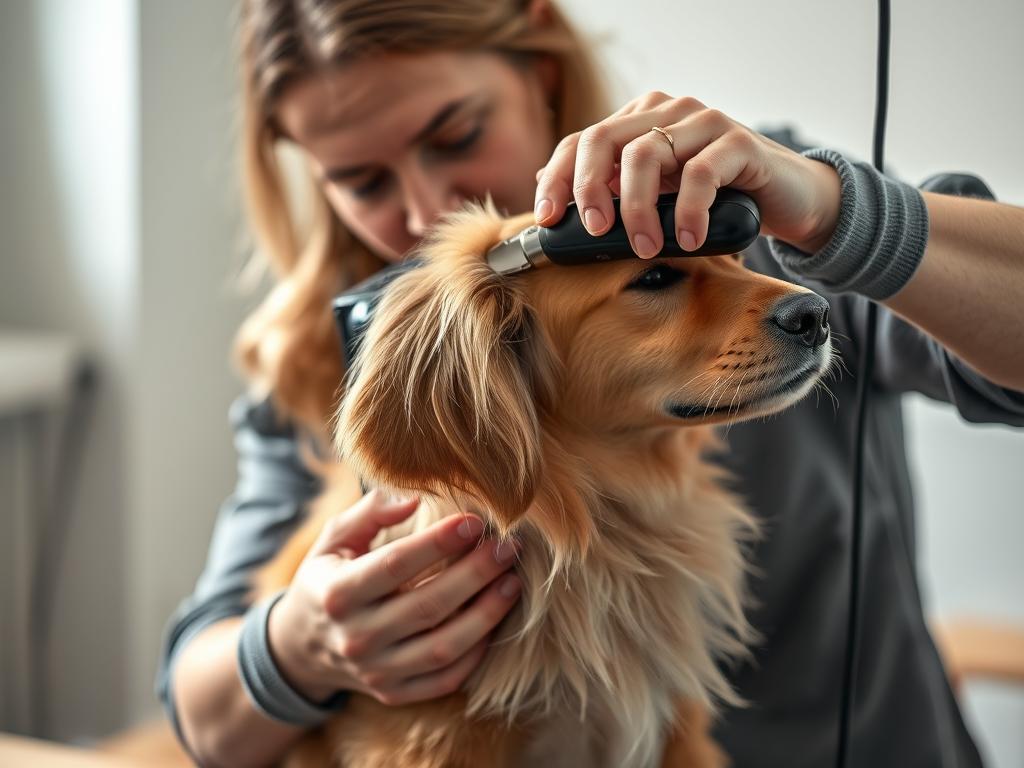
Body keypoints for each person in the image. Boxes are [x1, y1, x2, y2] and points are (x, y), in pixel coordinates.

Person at [156, 1, 1024, 766]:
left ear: (539, 65)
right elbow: (202, 708)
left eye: (456, 134)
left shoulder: (750, 215)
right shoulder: (327, 355)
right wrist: (305, 646)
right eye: (360, 180)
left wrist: (839, 213)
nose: (422, 210)